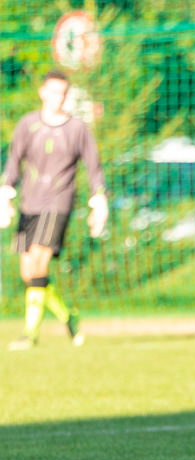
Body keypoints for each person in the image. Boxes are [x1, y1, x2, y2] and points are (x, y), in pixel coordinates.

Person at [0, 69, 109, 351]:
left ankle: (29, 334)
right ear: (42, 92)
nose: (57, 98)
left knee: (39, 263)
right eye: (53, 92)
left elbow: (93, 166)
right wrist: (6, 191)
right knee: (28, 273)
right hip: (29, 204)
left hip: (58, 203)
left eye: (63, 93)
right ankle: (67, 316)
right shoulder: (28, 124)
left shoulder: (77, 129)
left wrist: (99, 198)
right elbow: (14, 161)